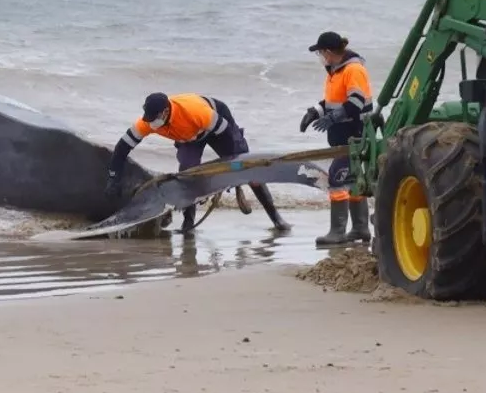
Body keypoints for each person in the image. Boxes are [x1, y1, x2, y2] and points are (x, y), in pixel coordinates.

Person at [108, 92, 290, 233]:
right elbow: (123, 147)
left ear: (165, 112)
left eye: (154, 119)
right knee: (188, 173)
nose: (151, 124)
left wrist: (231, 169)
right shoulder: (148, 121)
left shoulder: (195, 112)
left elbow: (226, 134)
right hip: (189, 136)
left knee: (248, 170)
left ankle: (276, 218)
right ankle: (188, 223)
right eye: (149, 120)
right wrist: (113, 177)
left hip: (217, 125)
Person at [302, 31, 373, 248]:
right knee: (352, 179)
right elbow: (332, 101)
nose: (320, 57)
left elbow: (356, 103)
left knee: (337, 179)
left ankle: (337, 232)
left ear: (329, 52)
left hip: (354, 133)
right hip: (342, 135)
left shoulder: (354, 70)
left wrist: (332, 118)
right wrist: (314, 112)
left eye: (320, 53)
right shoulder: (335, 71)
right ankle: (360, 228)